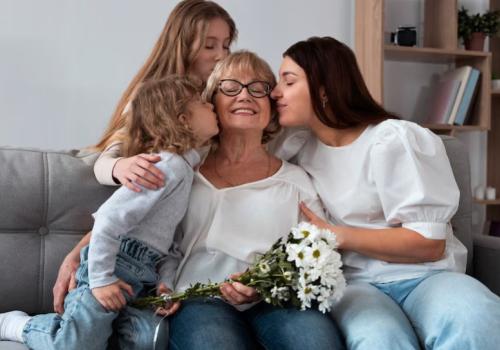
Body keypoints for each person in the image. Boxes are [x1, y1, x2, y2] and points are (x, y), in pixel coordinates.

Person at [270, 36, 500, 349]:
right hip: (357, 284)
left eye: (289, 81)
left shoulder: (392, 140)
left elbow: (428, 244)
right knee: (379, 339)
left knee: (475, 317)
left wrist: (336, 236)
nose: (275, 92)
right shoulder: (298, 149)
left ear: (324, 89)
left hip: (427, 277)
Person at [0, 76, 219, 349]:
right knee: (74, 344)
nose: (210, 105)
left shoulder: (186, 170)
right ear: (183, 119)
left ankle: (98, 325)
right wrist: (101, 280)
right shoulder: (166, 166)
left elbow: (171, 243)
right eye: (201, 102)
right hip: (113, 265)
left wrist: (165, 284)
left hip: (143, 279)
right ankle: (18, 324)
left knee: (147, 341)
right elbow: (108, 219)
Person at [53, 0, 237, 315]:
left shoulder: (218, 105)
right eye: (210, 45)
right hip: (133, 243)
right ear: (183, 45)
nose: (221, 54)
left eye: (226, 45)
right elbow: (114, 182)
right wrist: (121, 166)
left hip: (172, 248)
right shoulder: (151, 102)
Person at [167, 51, 345, 350]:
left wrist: (265, 288)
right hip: (200, 299)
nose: (245, 96)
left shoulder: (296, 181)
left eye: (258, 88)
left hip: (279, 301)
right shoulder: (185, 172)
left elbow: (320, 254)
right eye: (231, 87)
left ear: (271, 108)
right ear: (212, 103)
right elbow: (153, 236)